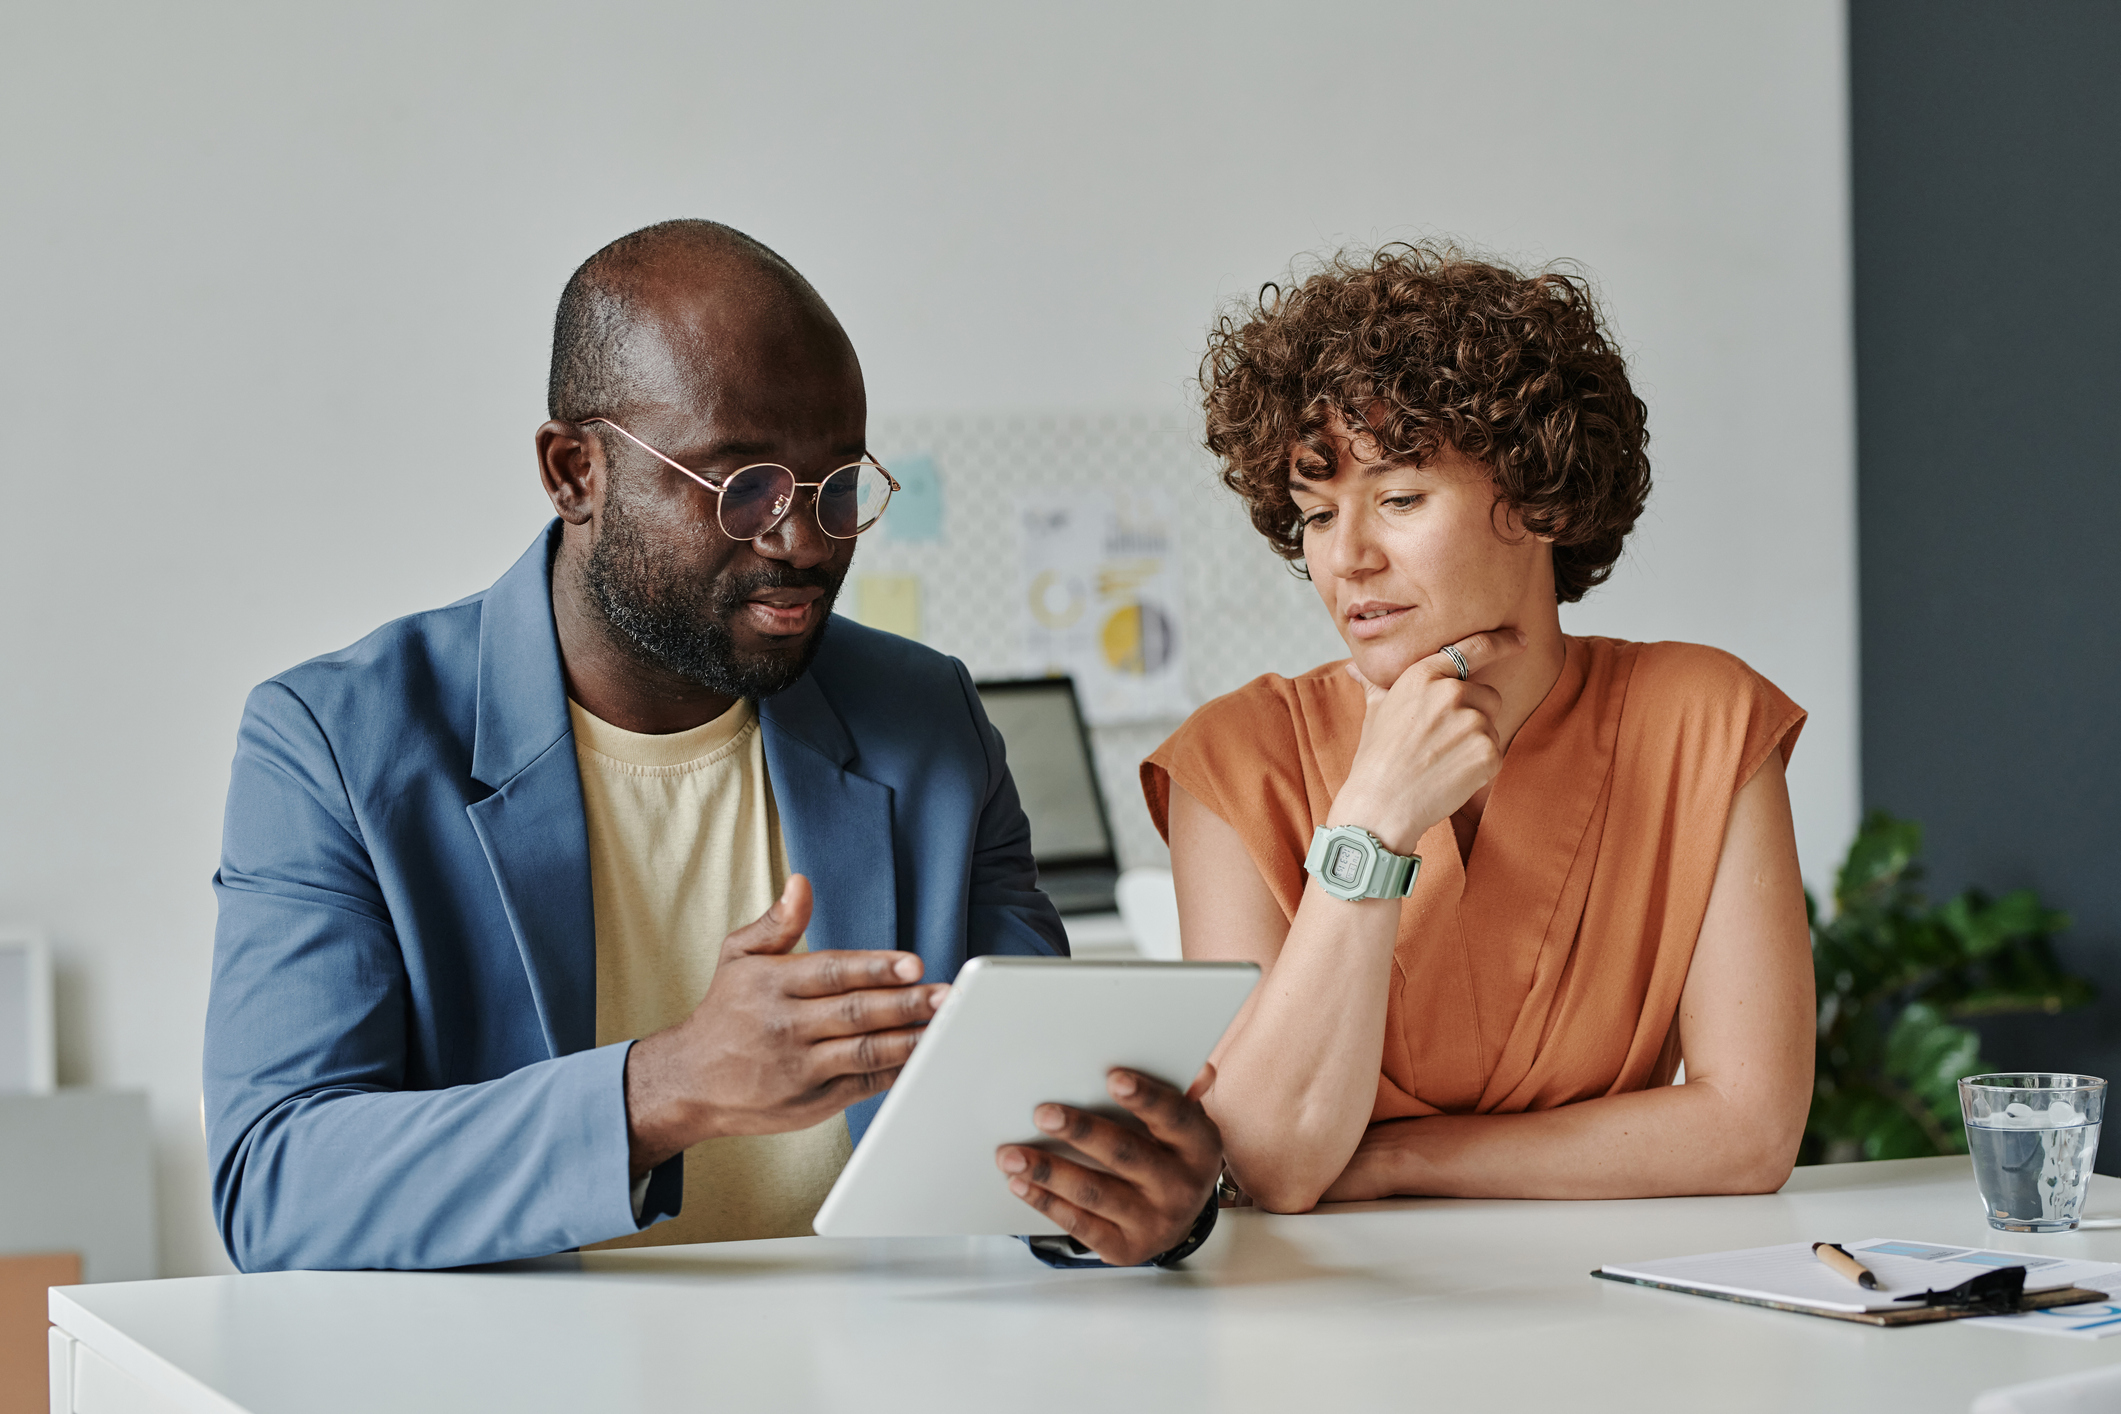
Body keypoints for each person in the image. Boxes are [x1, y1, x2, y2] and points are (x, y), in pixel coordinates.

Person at [205, 219, 1221, 1272]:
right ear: (574, 472)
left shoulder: (929, 724)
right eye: (745, 488)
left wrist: (1138, 1201)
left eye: (836, 486)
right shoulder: (333, 743)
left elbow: (1034, 1129)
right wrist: (666, 1085)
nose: (807, 542)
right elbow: (277, 1182)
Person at [1143, 244, 1815, 1215]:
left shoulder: (1704, 721)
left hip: (1623, 1303)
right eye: (1318, 514)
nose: (1349, 559)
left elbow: (1748, 1131)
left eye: (1400, 499)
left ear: (1542, 497)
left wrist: (1406, 1161)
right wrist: (1372, 818)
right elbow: (1270, 1160)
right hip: (1324, 1326)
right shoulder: (1233, 758)